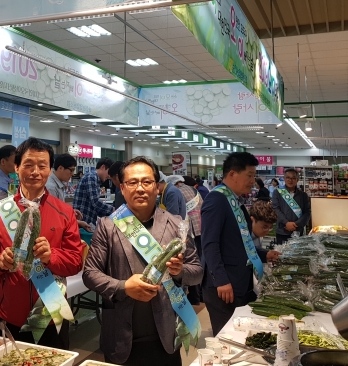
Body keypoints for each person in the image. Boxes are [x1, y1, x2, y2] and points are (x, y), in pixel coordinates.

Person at [83, 156, 203, 366]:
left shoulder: (176, 225)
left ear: (157, 187)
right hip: (121, 335)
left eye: (147, 182)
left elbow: (197, 272)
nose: (140, 188)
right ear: (122, 188)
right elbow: (90, 273)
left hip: (167, 334)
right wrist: (123, 287)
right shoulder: (107, 226)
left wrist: (179, 271)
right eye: (132, 182)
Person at [0, 137, 82, 349]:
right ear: (16, 167)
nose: (35, 172)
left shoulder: (65, 212)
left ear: (50, 169)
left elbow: (75, 262)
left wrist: (51, 256)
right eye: (28, 165)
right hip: (8, 315)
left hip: (51, 313)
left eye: (42, 166)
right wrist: (0, 262)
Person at [201, 152, 281, 336]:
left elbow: (240, 243)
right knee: (227, 338)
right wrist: (221, 280)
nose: (253, 181)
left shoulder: (236, 201)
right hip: (224, 286)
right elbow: (210, 244)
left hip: (239, 282)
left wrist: (264, 255)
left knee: (241, 335)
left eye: (254, 176)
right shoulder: (216, 200)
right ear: (232, 174)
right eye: (249, 175)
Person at [171, 175, 203, 305]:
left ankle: (195, 296)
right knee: (199, 261)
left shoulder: (176, 192)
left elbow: (175, 213)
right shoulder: (192, 189)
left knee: (189, 262)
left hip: (190, 230)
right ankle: (198, 296)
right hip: (200, 226)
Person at [45, 153, 91, 231]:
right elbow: (54, 215)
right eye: (71, 170)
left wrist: (69, 211)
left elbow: (58, 208)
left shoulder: (59, 184)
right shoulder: (51, 187)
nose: (72, 174)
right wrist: (78, 222)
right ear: (60, 168)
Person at [271, 168, 311, 244]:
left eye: (293, 178)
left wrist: (296, 224)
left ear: (297, 179)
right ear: (284, 179)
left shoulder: (303, 195)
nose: (290, 180)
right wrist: (286, 223)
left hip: (298, 231)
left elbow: (307, 213)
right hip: (282, 231)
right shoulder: (277, 192)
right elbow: (275, 209)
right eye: (288, 178)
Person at [73, 158, 114, 227]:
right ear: (103, 167)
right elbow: (95, 202)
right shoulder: (91, 177)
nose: (109, 176)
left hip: (86, 222)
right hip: (81, 222)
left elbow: (95, 206)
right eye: (109, 172)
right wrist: (113, 209)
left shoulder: (96, 179)